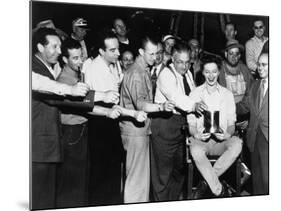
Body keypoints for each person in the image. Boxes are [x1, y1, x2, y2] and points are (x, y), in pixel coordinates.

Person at [55, 38, 124, 207]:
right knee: (72, 183)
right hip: (72, 134)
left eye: (81, 57)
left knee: (83, 182)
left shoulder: (77, 75)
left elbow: (86, 103)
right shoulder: (65, 79)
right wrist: (104, 96)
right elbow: (80, 99)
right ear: (65, 59)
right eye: (75, 58)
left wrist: (107, 110)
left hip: (82, 130)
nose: (80, 62)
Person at [82, 29, 146, 205]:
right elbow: (86, 102)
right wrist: (131, 113)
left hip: (110, 125)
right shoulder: (94, 69)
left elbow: (114, 103)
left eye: (117, 48)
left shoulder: (110, 66)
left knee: (111, 175)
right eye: (112, 50)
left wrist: (133, 114)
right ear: (101, 51)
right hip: (100, 126)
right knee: (102, 177)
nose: (118, 53)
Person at [31, 27, 92, 210]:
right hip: (40, 145)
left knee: (49, 195)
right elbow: (49, 91)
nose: (59, 50)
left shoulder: (47, 67)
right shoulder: (34, 68)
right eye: (55, 46)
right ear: (40, 47)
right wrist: (97, 96)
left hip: (48, 143)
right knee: (42, 197)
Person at [119, 35, 175, 203]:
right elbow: (141, 104)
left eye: (157, 53)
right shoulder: (137, 73)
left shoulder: (141, 70)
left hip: (136, 131)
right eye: (150, 54)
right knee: (137, 182)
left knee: (137, 181)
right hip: (135, 132)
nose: (155, 57)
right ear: (141, 52)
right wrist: (162, 107)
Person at [151, 42, 205, 201]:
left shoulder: (188, 74)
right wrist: (194, 106)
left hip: (182, 127)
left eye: (187, 62)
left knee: (179, 171)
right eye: (180, 62)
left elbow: (194, 94)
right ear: (172, 60)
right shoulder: (166, 75)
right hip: (165, 126)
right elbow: (177, 97)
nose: (184, 65)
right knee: (162, 175)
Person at [187, 57, 243, 198]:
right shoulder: (194, 94)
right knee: (195, 150)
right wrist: (196, 135)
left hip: (221, 141)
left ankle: (206, 182)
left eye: (214, 72)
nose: (211, 76)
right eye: (207, 72)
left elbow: (231, 124)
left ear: (219, 72)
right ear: (203, 73)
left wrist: (227, 135)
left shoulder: (227, 94)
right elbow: (191, 125)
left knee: (237, 144)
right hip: (202, 140)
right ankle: (219, 189)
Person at [236, 52, 269, 195]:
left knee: (269, 182)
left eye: (264, 65)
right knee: (257, 181)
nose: (259, 68)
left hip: (269, 140)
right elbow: (243, 106)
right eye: (258, 64)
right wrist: (225, 105)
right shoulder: (254, 85)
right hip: (254, 139)